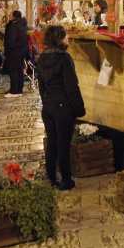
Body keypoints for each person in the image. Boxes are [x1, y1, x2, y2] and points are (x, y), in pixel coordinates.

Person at [37, 25, 86, 191]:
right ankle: (66, 179)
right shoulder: (64, 58)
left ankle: (51, 176)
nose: (68, 39)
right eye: (65, 36)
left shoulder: (41, 58)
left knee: (52, 142)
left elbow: (41, 86)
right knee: (64, 144)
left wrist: (46, 102)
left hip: (49, 107)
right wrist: (79, 109)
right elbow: (71, 87)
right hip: (63, 106)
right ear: (59, 39)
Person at [3, 11, 28, 98]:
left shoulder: (14, 26)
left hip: (14, 52)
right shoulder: (22, 25)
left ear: (14, 17)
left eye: (10, 15)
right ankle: (19, 89)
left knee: (14, 71)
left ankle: (14, 91)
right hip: (21, 51)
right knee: (19, 71)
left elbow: (11, 41)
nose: (9, 16)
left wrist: (8, 50)